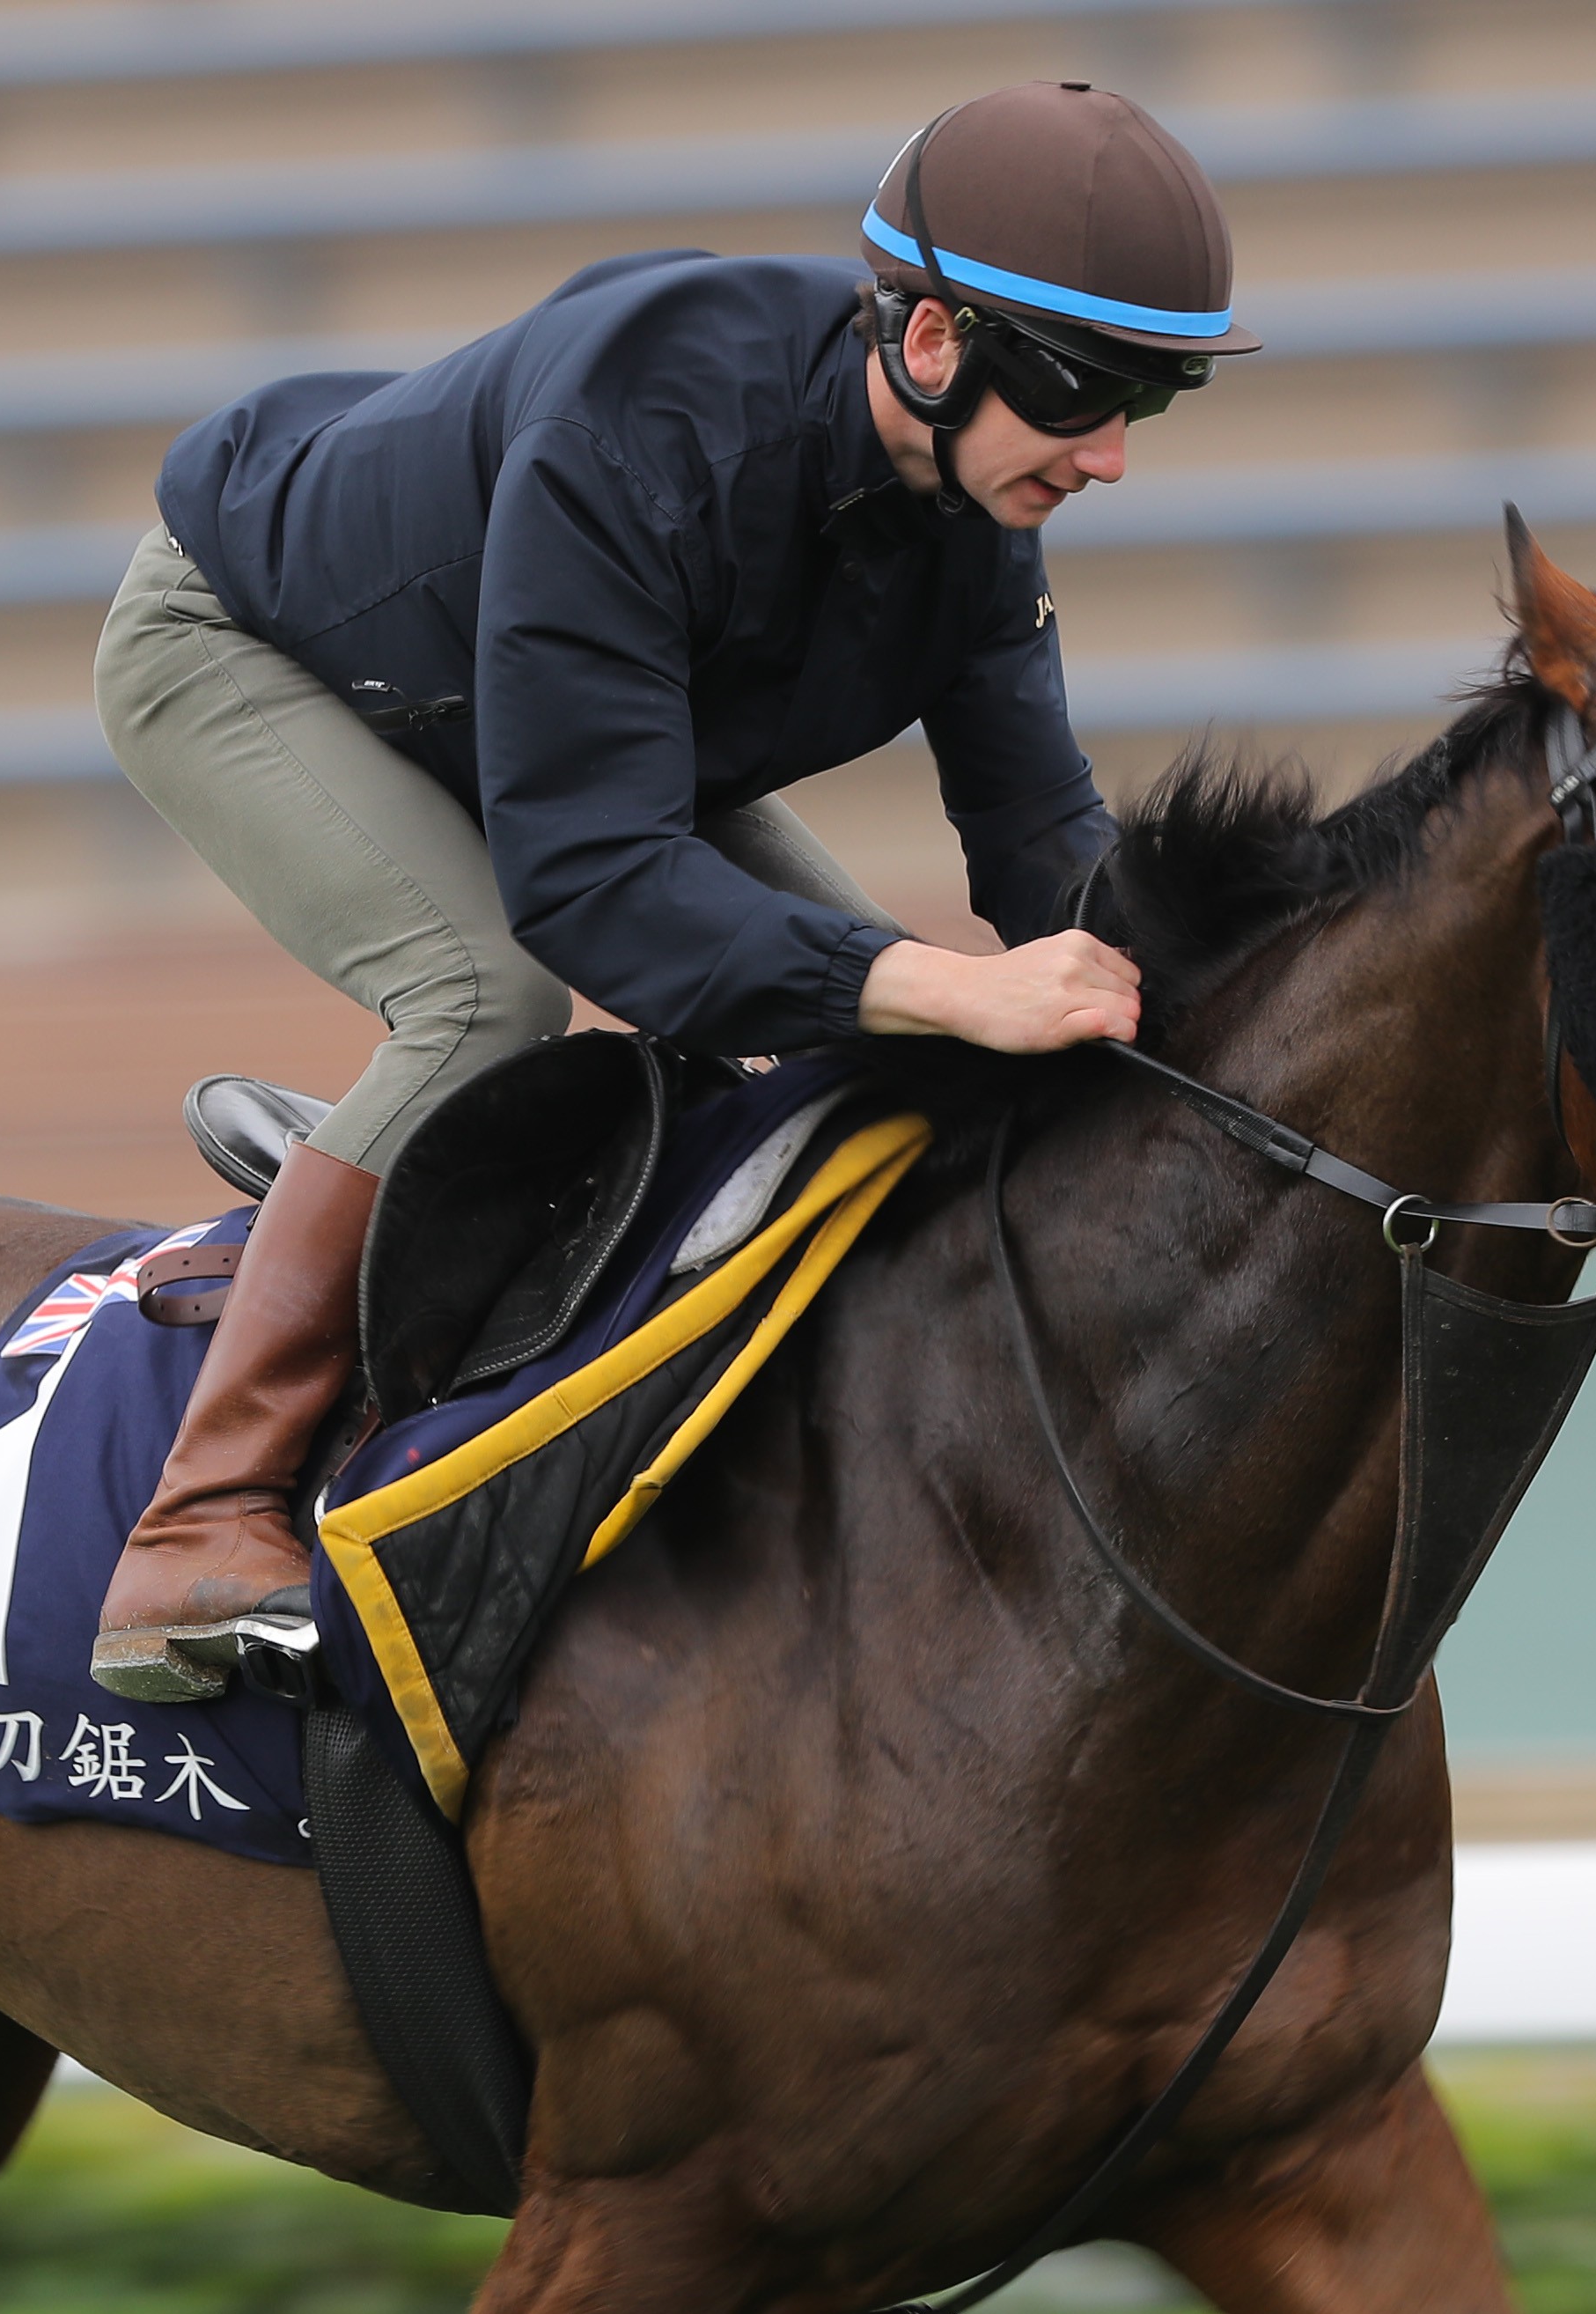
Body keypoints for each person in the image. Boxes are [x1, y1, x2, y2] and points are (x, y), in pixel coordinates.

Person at [85, 80, 1257, 1703]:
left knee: (868, 1030)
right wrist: (949, 984)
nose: (1113, 456)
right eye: (1088, 395)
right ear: (930, 342)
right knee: (485, 999)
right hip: (252, 646)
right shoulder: (641, 430)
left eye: (1152, 401)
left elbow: (1040, 833)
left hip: (545, 710)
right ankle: (197, 1520)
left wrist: (1214, 992)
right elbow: (592, 887)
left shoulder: (975, 504)